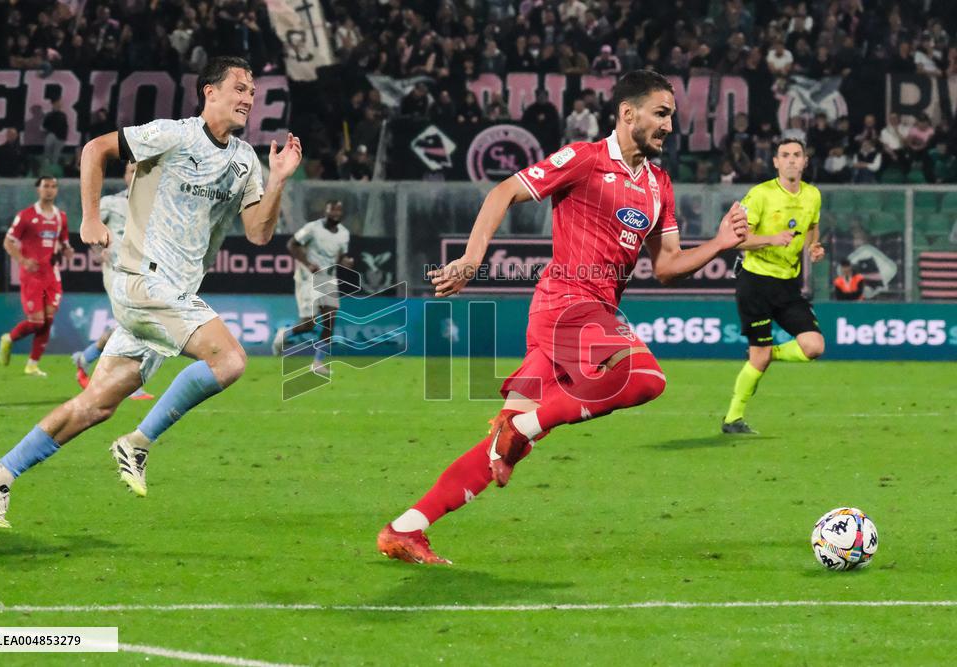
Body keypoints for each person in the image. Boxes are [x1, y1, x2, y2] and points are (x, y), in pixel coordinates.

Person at [376, 70, 748, 564]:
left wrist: (720, 244)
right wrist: (470, 259)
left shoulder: (659, 185)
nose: (668, 126)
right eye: (660, 114)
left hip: (584, 316)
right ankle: (527, 426)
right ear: (627, 113)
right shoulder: (585, 158)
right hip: (568, 305)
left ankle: (407, 527)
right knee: (645, 377)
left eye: (672, 118)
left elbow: (667, 267)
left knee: (500, 448)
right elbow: (502, 192)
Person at [0, 56, 303, 528]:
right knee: (229, 360)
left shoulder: (244, 160)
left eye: (252, 90)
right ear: (209, 92)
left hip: (169, 295)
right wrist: (88, 216)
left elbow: (259, 233)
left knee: (98, 405)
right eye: (239, 88)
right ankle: (139, 441)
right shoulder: (174, 135)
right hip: (144, 281)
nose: (249, 97)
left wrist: (278, 180)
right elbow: (94, 150)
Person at [721, 138, 825, 435]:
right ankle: (732, 419)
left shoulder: (813, 195)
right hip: (755, 282)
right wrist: (770, 238)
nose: (791, 160)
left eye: (797, 155)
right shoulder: (760, 195)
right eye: (785, 155)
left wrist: (814, 247)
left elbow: (811, 229)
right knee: (760, 359)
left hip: (787, 285)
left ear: (805, 161)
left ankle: (767, 352)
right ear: (776, 162)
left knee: (814, 347)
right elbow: (738, 237)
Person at [70, 162, 154, 400]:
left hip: (144, 273)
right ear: (125, 176)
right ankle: (130, 385)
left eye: (142, 170)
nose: (137, 173)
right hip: (116, 270)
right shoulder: (110, 203)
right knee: (135, 323)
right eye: (131, 170)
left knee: (130, 325)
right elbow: (88, 231)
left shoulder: (156, 205)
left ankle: (85, 358)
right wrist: (97, 252)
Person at [0, 176, 73, 378]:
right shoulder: (25, 216)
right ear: (38, 190)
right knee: (37, 322)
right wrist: (23, 261)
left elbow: (64, 243)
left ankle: (32, 364)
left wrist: (68, 251)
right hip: (32, 276)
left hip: (52, 275)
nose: (49, 190)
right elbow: (8, 242)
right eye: (45, 186)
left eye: (53, 186)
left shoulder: (61, 217)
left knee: (48, 321)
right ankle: (9, 338)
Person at [273, 200, 353, 377]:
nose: (335, 213)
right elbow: (291, 244)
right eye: (332, 209)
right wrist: (307, 263)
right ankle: (285, 334)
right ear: (326, 210)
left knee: (330, 319)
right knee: (309, 323)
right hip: (309, 277)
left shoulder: (344, 234)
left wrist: (345, 262)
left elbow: (341, 256)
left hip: (328, 277)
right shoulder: (312, 228)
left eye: (339, 210)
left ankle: (318, 363)